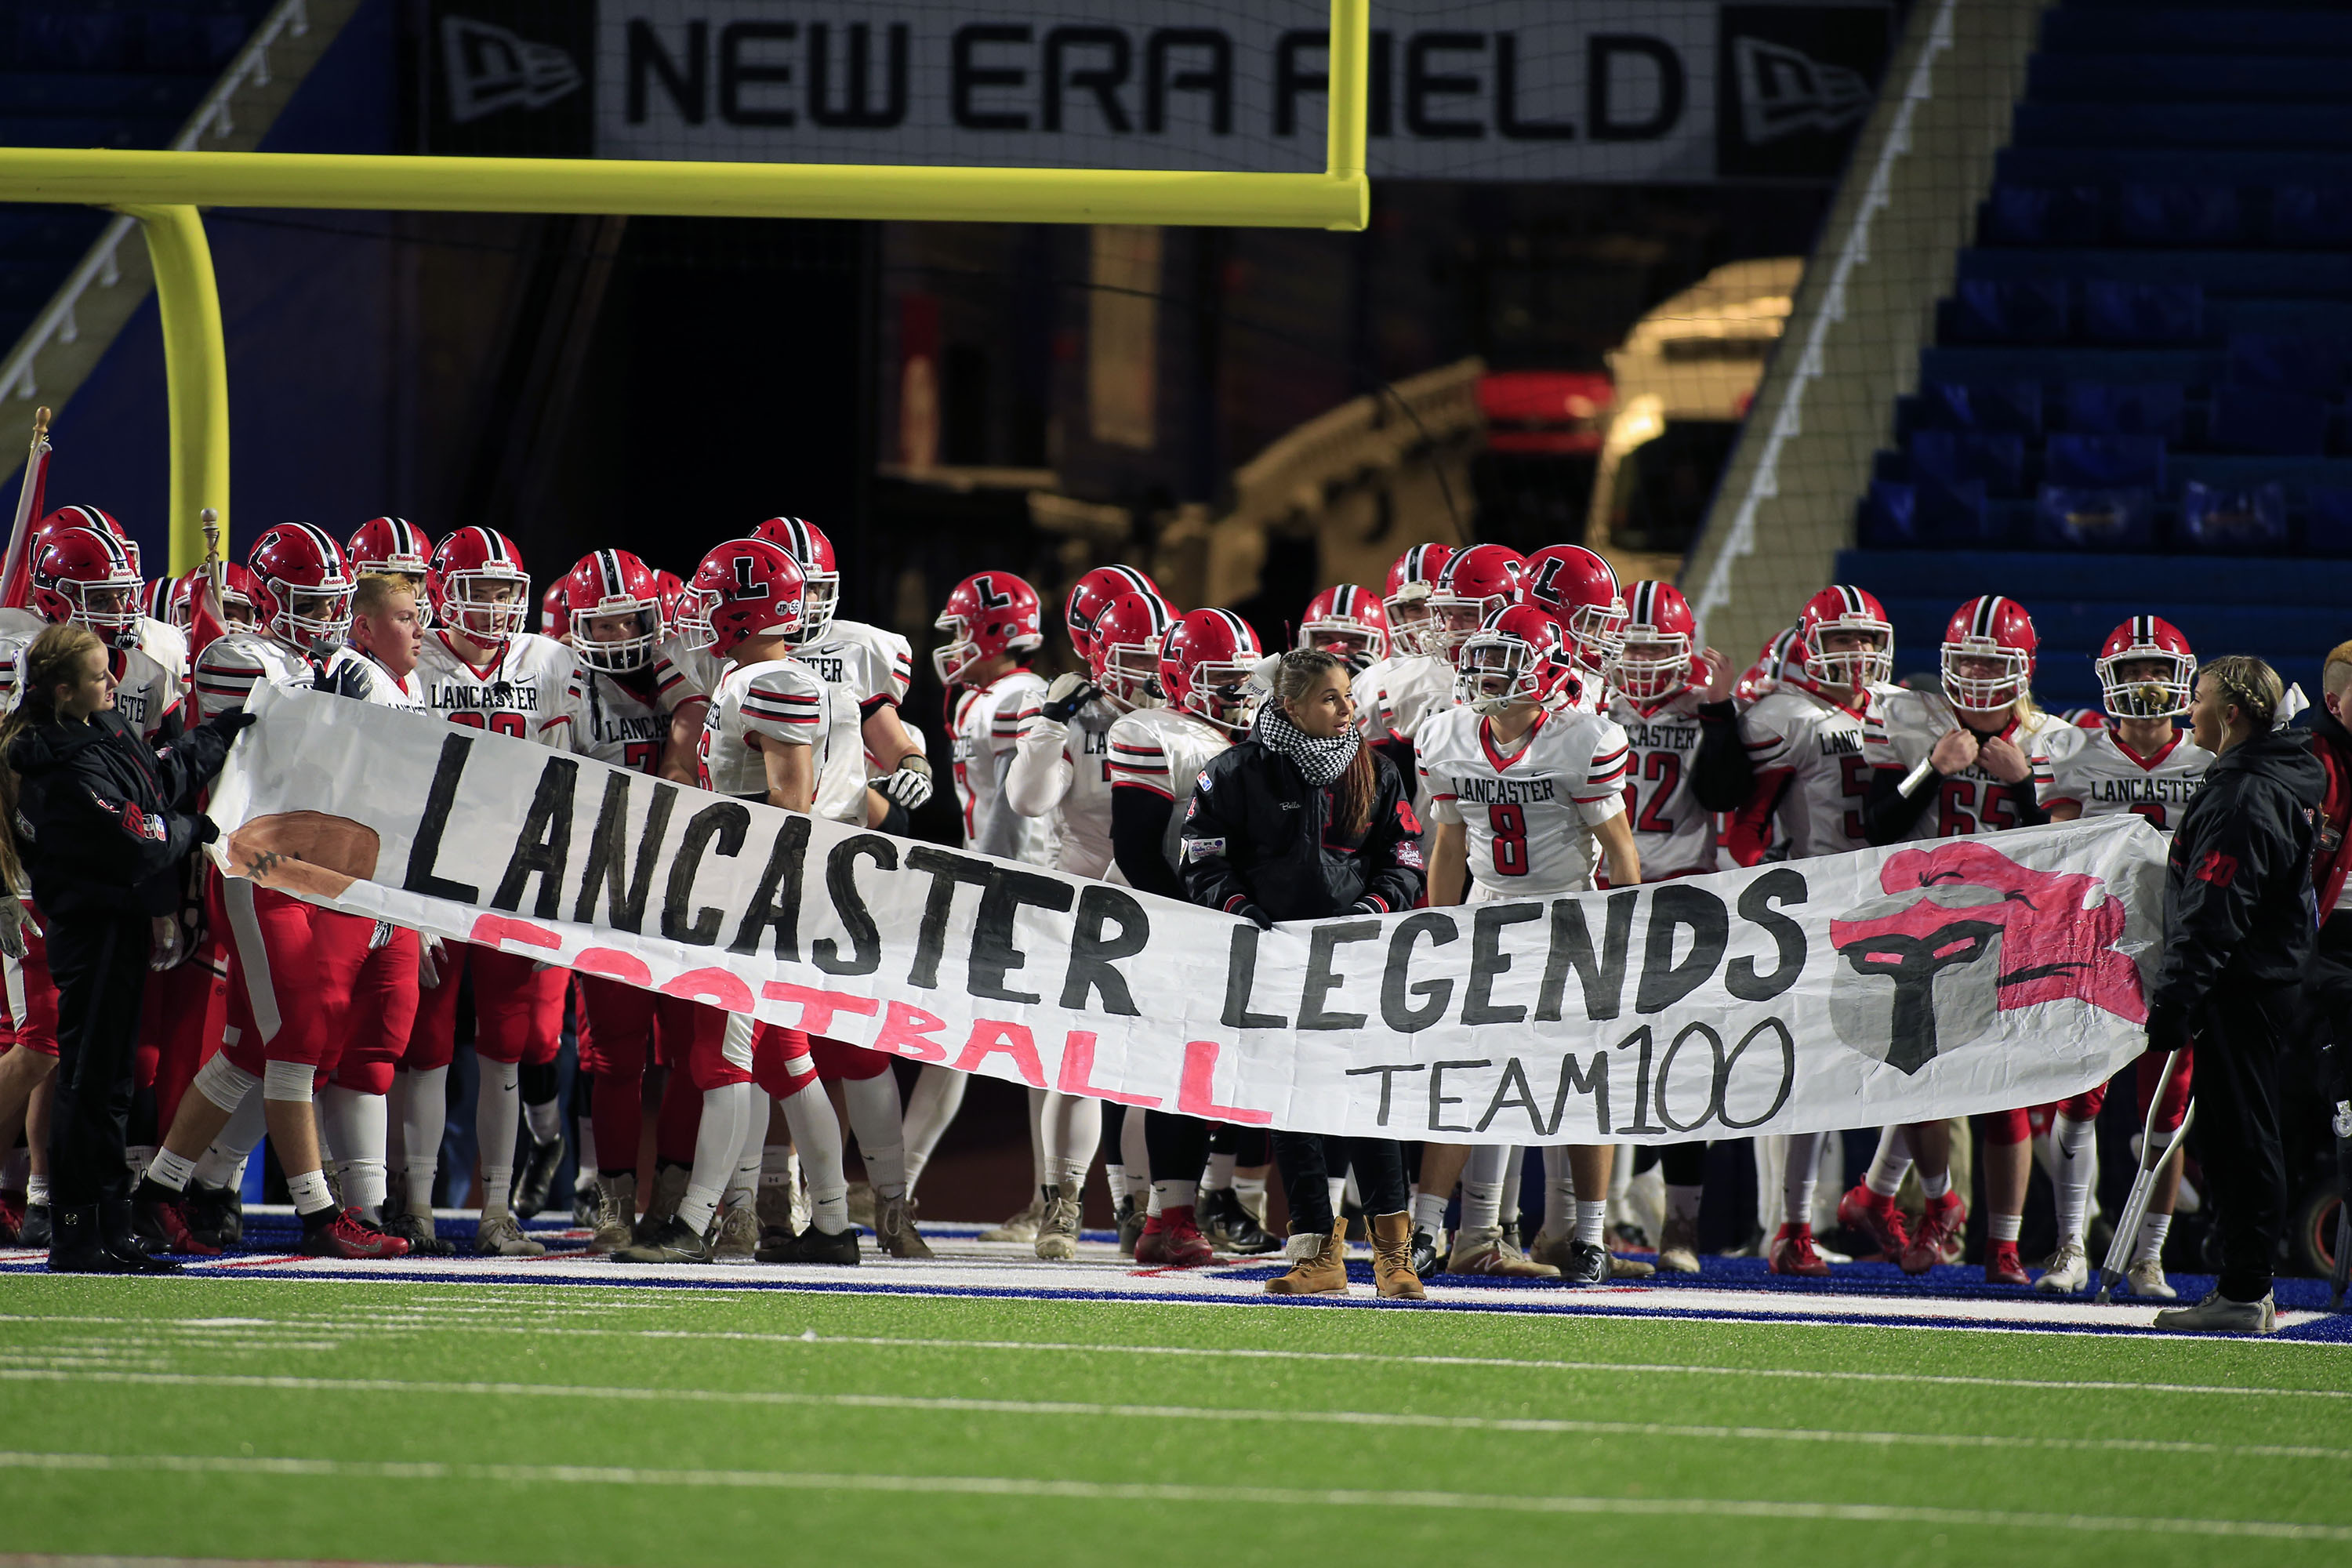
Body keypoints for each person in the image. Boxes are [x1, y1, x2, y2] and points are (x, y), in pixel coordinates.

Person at [132, 524, 411, 1261]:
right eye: (308, 603)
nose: (325, 620)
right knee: (296, 1039)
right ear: (266, 597)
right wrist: (332, 696)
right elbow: (275, 739)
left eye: (333, 604)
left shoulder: (341, 665)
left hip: (312, 872)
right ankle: (320, 1216)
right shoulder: (237, 655)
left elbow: (390, 757)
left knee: (250, 1052)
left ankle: (158, 1195)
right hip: (255, 870)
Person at [1179, 646, 1428, 1301]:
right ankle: (1318, 1256)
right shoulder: (1231, 772)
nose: (1349, 708)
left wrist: (1375, 911)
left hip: (1360, 961)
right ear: (1289, 706)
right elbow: (1202, 860)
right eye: (1331, 698)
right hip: (1275, 963)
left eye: (1349, 695)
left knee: (1369, 1107)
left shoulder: (1376, 770)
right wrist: (1240, 909)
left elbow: (1404, 862)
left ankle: (1394, 1261)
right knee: (1294, 1109)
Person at [4, 623, 244, 1270]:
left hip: (121, 920)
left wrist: (232, 730)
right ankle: (77, 1232)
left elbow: (160, 781)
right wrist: (199, 827)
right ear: (62, 691)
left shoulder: (99, 731)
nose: (114, 682)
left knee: (110, 1083)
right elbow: (145, 837)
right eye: (98, 675)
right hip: (91, 927)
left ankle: (111, 1223)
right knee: (87, 1080)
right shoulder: (56, 755)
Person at [1418, 605, 1638, 1287]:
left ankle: (1589, 1237)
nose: (1485, 673)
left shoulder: (1585, 740)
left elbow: (1620, 852)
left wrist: (1626, 932)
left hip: (1568, 919)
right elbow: (1450, 844)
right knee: (1466, 1078)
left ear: (1543, 669)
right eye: (1480, 658)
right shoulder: (1447, 735)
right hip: (1487, 917)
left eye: (1504, 661)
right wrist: (1438, 928)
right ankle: (1428, 1228)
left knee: (1584, 1082)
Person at [1862, 594, 2067, 1286]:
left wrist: (2025, 789)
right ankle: (1940, 1205)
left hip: (2007, 930)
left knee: (2004, 1092)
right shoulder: (1910, 721)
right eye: (1968, 660)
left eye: (1993, 661)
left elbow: (2067, 851)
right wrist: (1933, 769)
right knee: (1925, 1078)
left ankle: (2001, 1245)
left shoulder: (2051, 741)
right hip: (1922, 923)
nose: (1978, 675)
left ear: (2023, 668)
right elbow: (1878, 826)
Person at [394, 526, 583, 1258]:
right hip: (434, 880)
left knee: (511, 1049)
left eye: (509, 591)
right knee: (427, 1047)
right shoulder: (416, 663)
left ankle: (498, 1209)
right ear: (443, 593)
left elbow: (570, 781)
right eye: (482, 589)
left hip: (516, 878)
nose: (500, 606)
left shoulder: (549, 659)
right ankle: (414, 1204)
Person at [2031, 617, 2212, 1298]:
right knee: (2078, 1103)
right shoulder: (2074, 754)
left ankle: (2150, 1259)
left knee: (2164, 1114)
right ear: (2109, 679)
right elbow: (2054, 853)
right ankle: (2070, 1246)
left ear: (2182, 678)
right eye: (2131, 669)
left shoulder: (2208, 761)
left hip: (2177, 956)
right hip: (2096, 952)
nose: (2144, 682)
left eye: (2155, 669)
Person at [2145, 657, 2323, 1334]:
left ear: (2232, 714)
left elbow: (2214, 909)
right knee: (2243, 1131)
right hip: (2265, 979)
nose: (2188, 709)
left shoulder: (2244, 793)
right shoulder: (2269, 780)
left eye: (2198, 699)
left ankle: (2245, 1289)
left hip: (2240, 985)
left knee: (2242, 1136)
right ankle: (2248, 1286)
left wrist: (2176, 998)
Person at [1109, 607, 1259, 1269]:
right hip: (1159, 922)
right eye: (1224, 681)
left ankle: (1172, 1216)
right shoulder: (1153, 733)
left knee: (1203, 1072)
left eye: (1246, 681)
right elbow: (1138, 848)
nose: (1240, 695)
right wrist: (1189, 921)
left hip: (1215, 922)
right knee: (1173, 1070)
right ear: (1181, 678)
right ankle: (1162, 1217)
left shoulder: (1254, 741)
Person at [913, 569, 1050, 1236]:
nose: (956, 643)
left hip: (1021, 892)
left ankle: (1056, 1203)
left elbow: (1024, 811)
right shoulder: (984, 696)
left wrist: (991, 883)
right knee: (952, 1035)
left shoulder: (1020, 696)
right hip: (1001, 885)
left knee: (1039, 1052)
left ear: (996, 631)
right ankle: (896, 1181)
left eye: (965, 629)